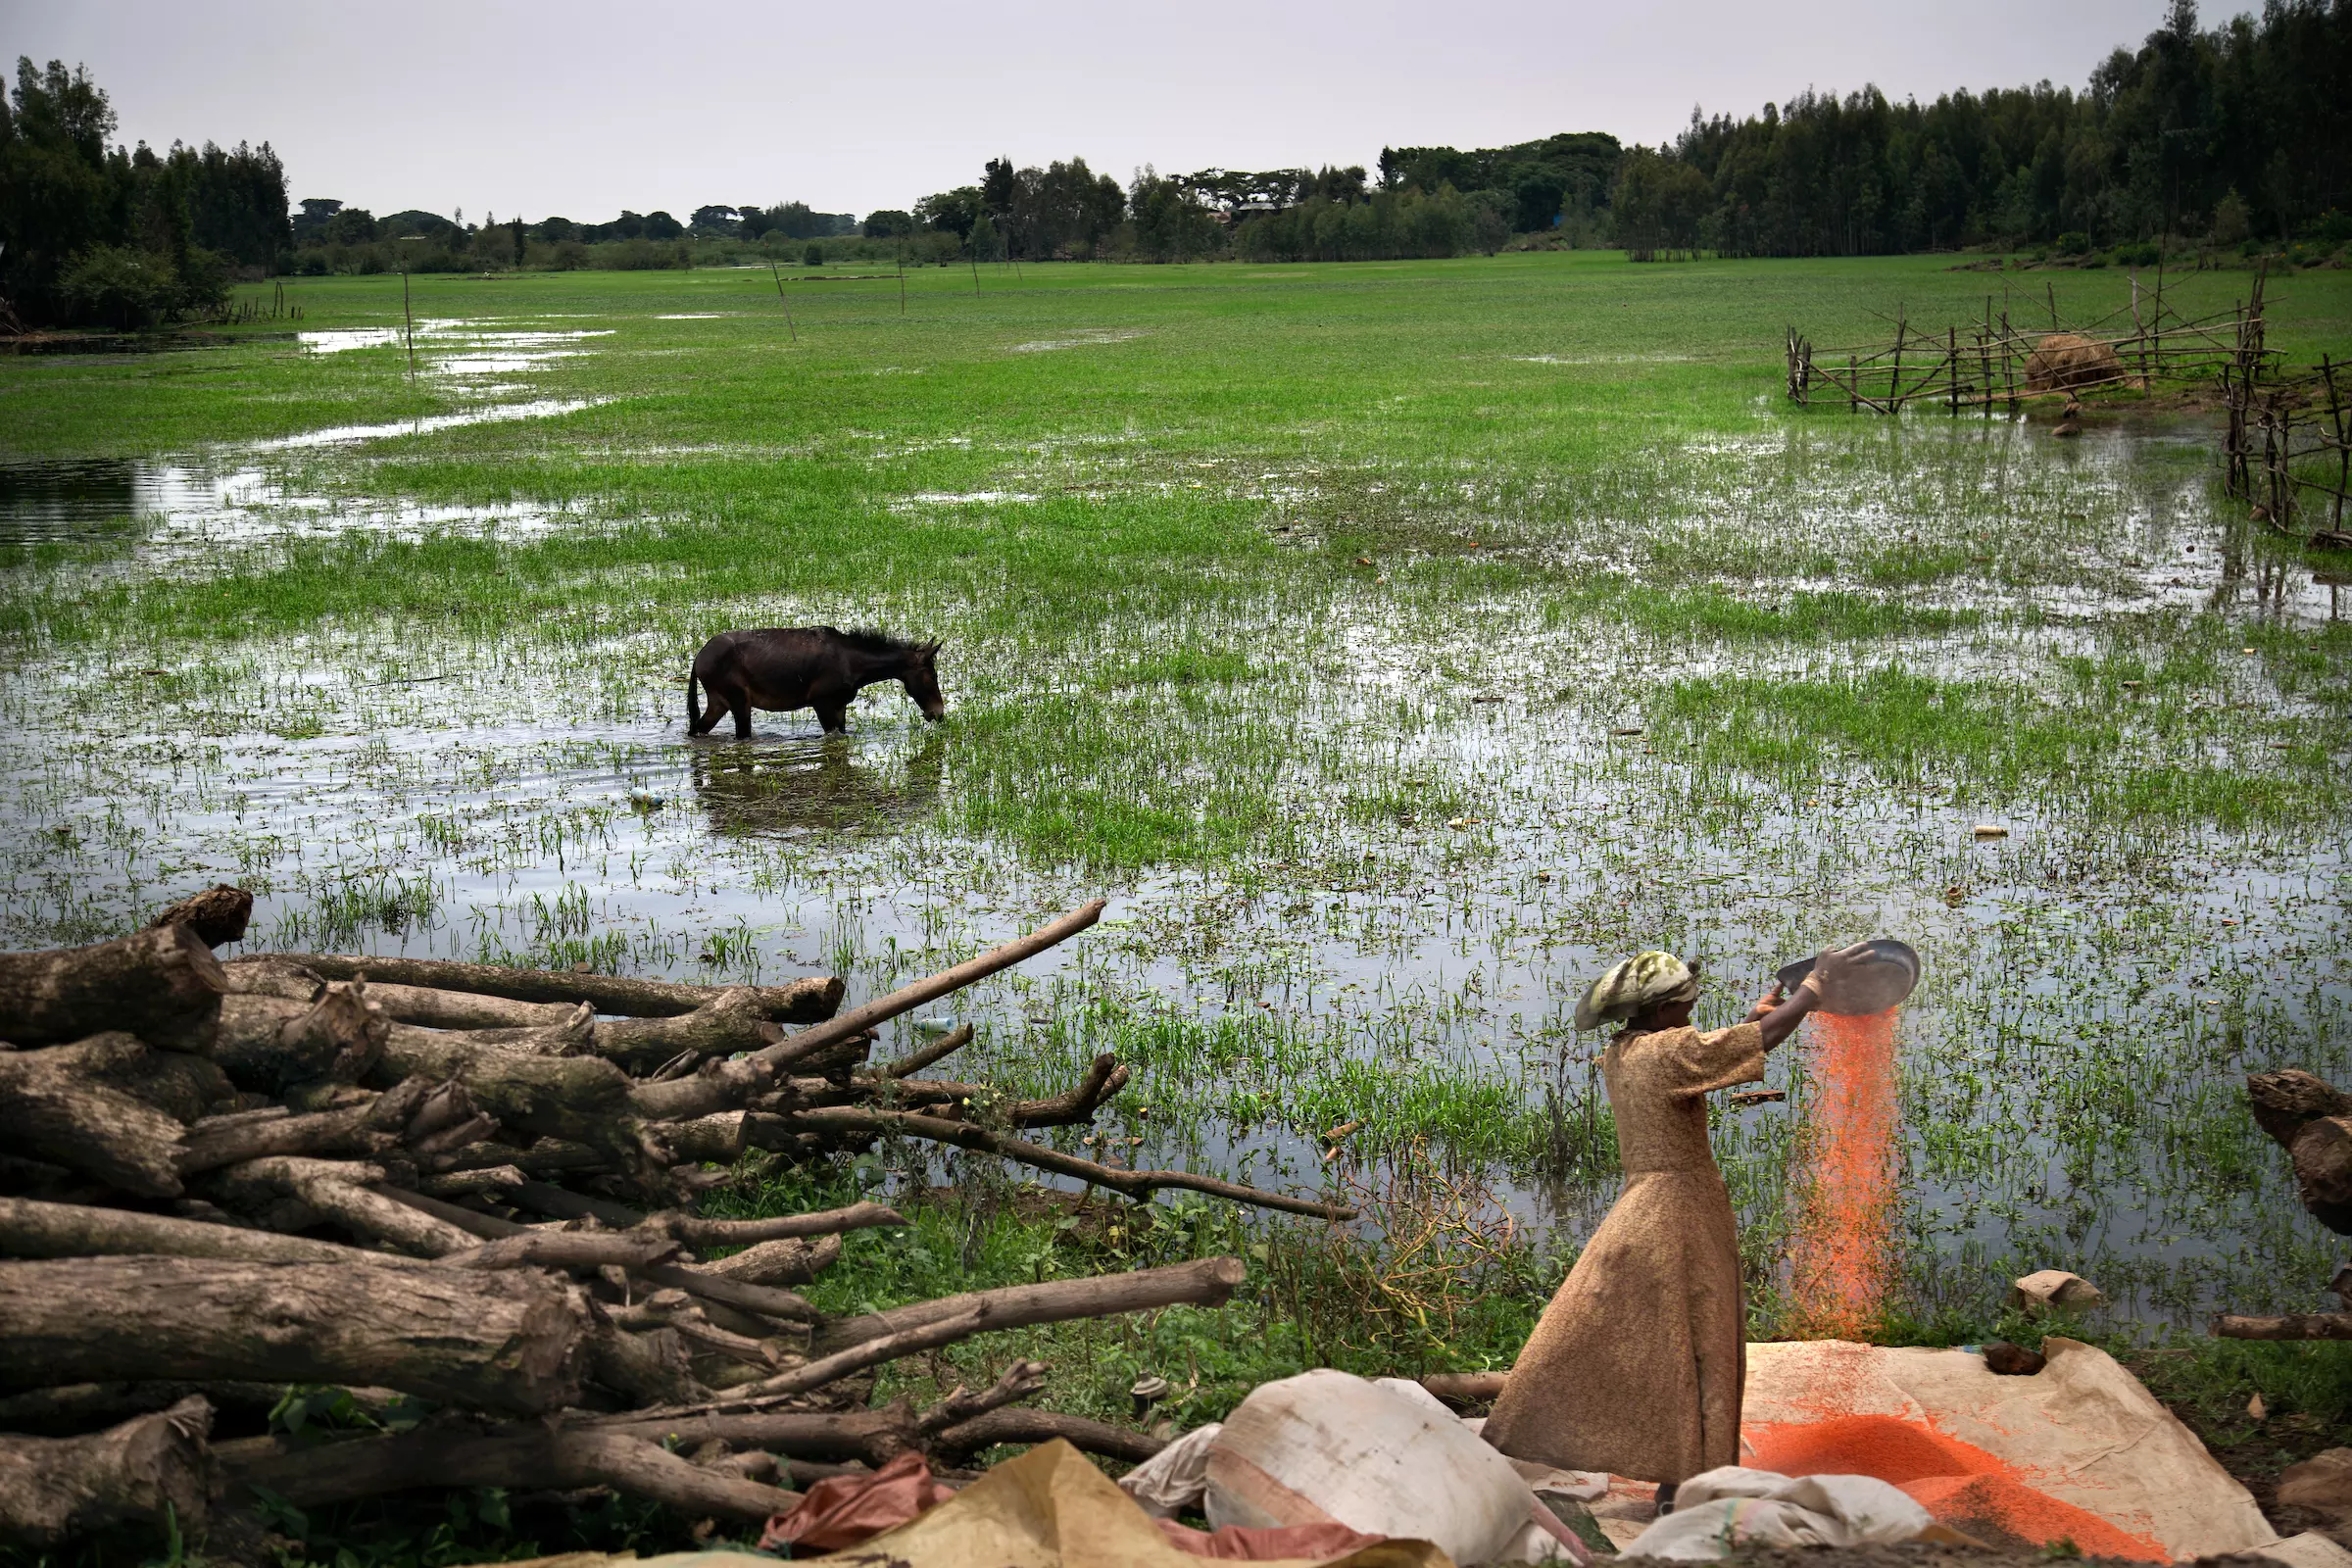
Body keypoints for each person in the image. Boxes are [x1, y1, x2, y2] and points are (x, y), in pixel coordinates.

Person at [1482, 945, 1867, 1504]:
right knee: (1703, 1339)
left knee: (1658, 1337)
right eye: (1685, 1004)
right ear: (1661, 1012)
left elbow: (1726, 1047)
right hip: (1682, 1208)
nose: (1691, 1011)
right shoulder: (1670, 1052)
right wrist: (1812, 989)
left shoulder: (1623, 1051)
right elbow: (1747, 1044)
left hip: (1646, 1201)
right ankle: (1688, 1479)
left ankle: (1673, 1474)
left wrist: (1766, 1017)